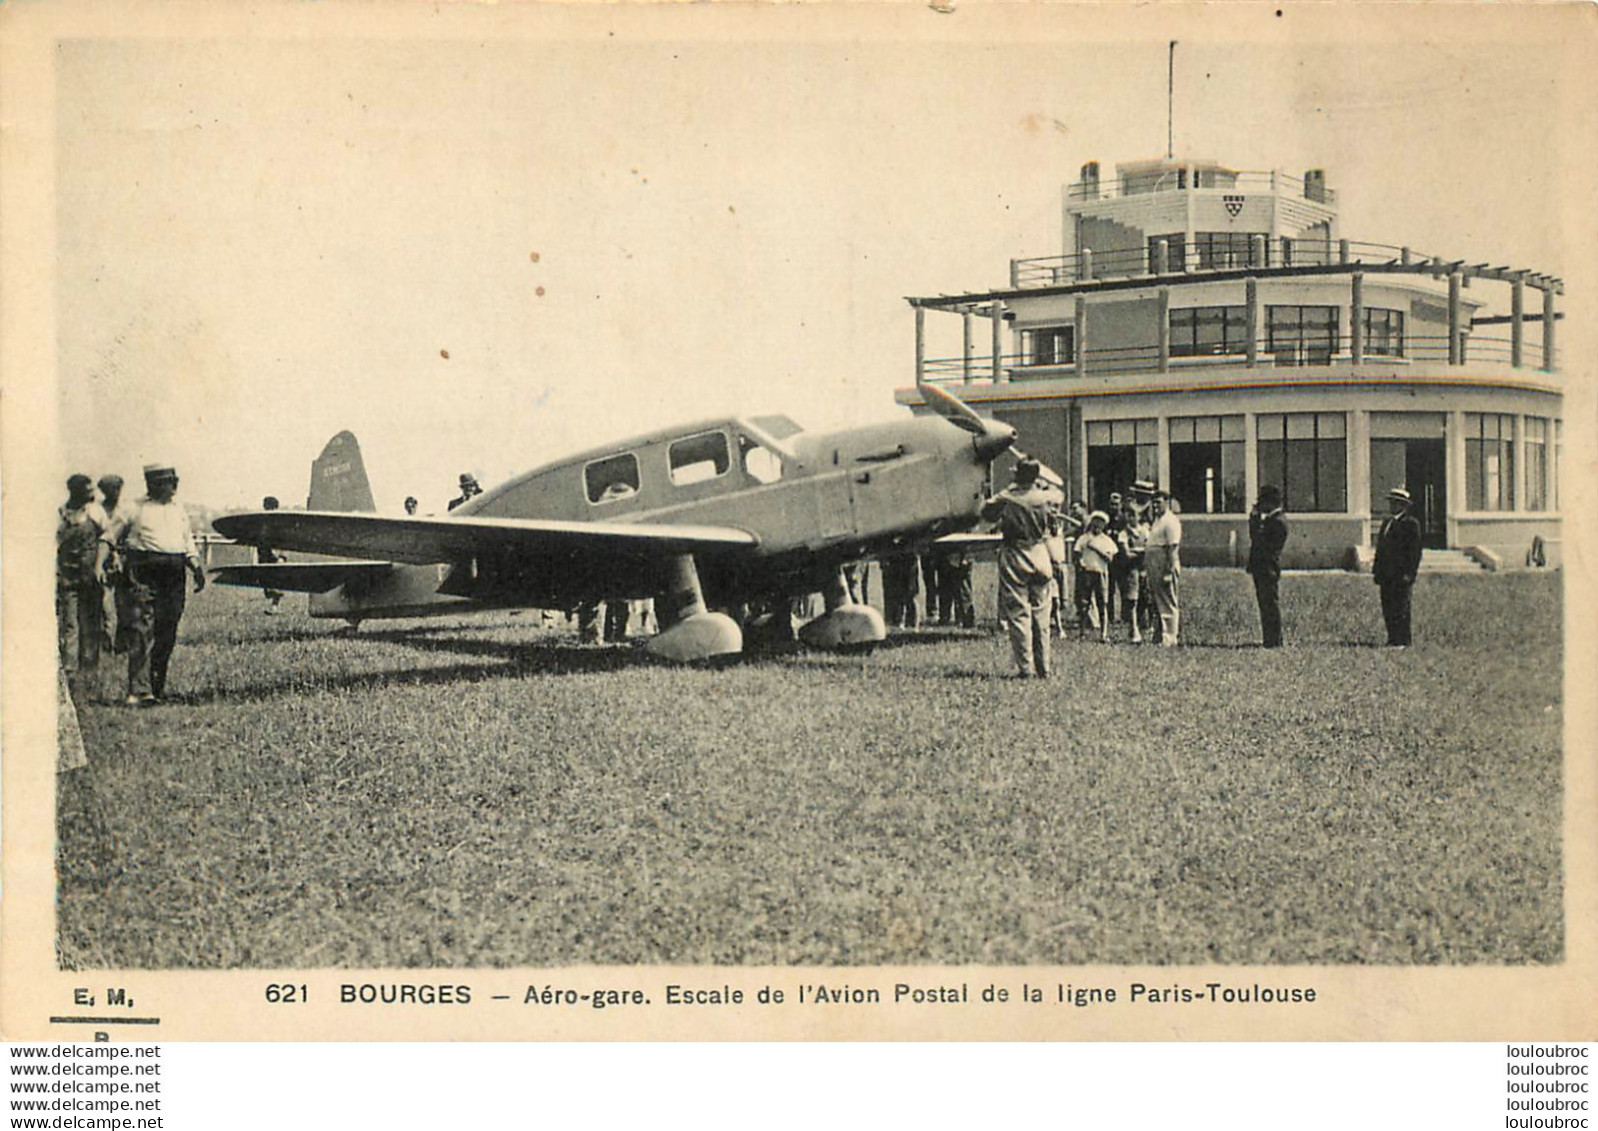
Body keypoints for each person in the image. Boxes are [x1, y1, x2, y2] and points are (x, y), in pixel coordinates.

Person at [103, 463, 206, 705]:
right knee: (141, 629)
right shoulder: (133, 509)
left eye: (173, 480)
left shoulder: (178, 510)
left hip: (174, 573)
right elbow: (108, 538)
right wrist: (100, 565)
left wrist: (197, 568)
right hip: (143, 570)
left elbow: (187, 543)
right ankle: (138, 690)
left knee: (167, 630)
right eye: (165, 481)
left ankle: (156, 687)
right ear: (152, 484)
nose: (171, 486)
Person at [980, 458, 1054, 678]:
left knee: (1018, 613)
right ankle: (1044, 666)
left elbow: (986, 512)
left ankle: (1026, 667)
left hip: (1016, 553)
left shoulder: (1007, 497)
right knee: (1041, 614)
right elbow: (1053, 523)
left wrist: (1009, 489)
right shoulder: (1044, 497)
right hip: (1040, 552)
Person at [57, 474, 109, 693]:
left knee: (90, 623)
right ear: (74, 491)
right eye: (87, 489)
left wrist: (100, 567)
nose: (92, 492)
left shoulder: (96, 512)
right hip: (68, 575)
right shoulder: (60, 513)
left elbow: (106, 538)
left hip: (90, 575)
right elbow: (54, 544)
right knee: (70, 623)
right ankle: (68, 670)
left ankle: (89, 670)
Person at [1373, 486, 1422, 647]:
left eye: (1396, 503)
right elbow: (1380, 549)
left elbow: (1414, 552)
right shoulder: (1387, 523)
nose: (1392, 506)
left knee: (1401, 607)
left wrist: (1410, 573)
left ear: (1404, 506)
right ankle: (1392, 637)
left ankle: (1403, 640)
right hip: (1386, 574)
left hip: (1401, 574)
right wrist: (1377, 570)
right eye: (1391, 503)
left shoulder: (1410, 524)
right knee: (1388, 606)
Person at [1246, 484, 1289, 647]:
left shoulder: (1277, 522)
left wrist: (1254, 520)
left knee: (1269, 604)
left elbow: (1259, 541)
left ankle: (1273, 639)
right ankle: (1270, 638)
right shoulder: (1274, 520)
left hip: (1267, 568)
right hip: (1264, 568)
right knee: (1266, 604)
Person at [97, 474, 135, 654]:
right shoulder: (98, 510)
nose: (115, 492)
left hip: (124, 560)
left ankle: (122, 646)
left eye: (117, 488)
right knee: (104, 606)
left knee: (124, 604)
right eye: (110, 489)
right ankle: (105, 644)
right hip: (104, 559)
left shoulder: (127, 510)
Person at [1145, 488, 1183, 646]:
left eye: (1158, 503)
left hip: (1164, 562)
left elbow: (1172, 548)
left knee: (1167, 600)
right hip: (1154, 563)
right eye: (1153, 503)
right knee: (1156, 601)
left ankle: (1170, 637)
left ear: (1167, 503)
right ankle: (1159, 635)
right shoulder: (1157, 520)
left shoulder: (1171, 521)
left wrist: (1169, 570)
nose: (1155, 506)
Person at [1073, 511, 1117, 643]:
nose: (1098, 525)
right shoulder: (1084, 538)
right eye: (1096, 521)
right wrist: (1080, 563)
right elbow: (1076, 553)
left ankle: (1103, 634)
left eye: (1101, 522)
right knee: (1084, 603)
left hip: (1100, 573)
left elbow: (1110, 558)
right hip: (1087, 572)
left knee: (1102, 603)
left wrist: (1096, 548)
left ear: (1104, 525)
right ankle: (1082, 633)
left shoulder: (1106, 540)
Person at [1115, 496, 1149, 644]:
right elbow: (1126, 554)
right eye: (1128, 515)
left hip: (1144, 570)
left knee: (1145, 598)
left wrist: (1138, 551)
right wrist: (1142, 552)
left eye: (1134, 515)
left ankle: (1142, 626)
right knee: (1132, 600)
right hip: (1131, 570)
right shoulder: (1123, 534)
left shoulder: (1145, 531)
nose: (1131, 518)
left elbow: (1150, 549)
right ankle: (1134, 628)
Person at [258, 495, 285, 615]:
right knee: (266, 583)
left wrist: (281, 556)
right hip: (265, 556)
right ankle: (274, 605)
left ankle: (274, 607)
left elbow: (284, 541)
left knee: (276, 582)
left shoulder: (279, 524)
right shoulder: (263, 524)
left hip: (276, 556)